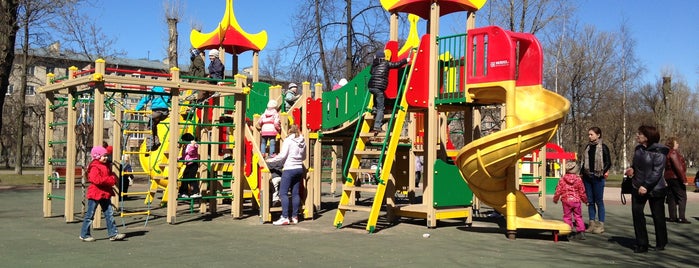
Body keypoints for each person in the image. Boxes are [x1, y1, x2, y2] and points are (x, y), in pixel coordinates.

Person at [626, 125, 668, 253]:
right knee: (637, 214)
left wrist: (646, 185)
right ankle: (642, 244)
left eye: (640, 134)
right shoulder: (638, 149)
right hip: (637, 186)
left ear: (647, 136)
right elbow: (636, 164)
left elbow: (657, 172)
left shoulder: (659, 151)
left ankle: (661, 242)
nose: (637, 135)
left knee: (658, 216)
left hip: (655, 188)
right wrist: (631, 169)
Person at [79, 146, 126, 242]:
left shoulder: (106, 165)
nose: (106, 158)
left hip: (104, 193)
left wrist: (112, 148)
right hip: (95, 193)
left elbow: (109, 151)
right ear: (97, 156)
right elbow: (96, 180)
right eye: (103, 156)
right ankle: (84, 234)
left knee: (109, 214)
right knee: (90, 214)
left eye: (106, 156)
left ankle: (113, 233)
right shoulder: (95, 167)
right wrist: (110, 180)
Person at [266, 124, 306, 225]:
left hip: (289, 169)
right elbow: (304, 156)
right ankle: (295, 216)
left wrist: (271, 160)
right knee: (295, 193)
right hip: (299, 169)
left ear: (289, 132)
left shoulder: (288, 140)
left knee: (283, 193)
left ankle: (284, 217)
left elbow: (283, 155)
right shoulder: (302, 141)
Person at [367, 49, 410, 133]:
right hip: (379, 88)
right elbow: (396, 64)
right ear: (383, 58)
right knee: (381, 108)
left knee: (376, 97)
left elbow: (371, 72)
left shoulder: (374, 65)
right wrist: (406, 60)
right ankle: (377, 126)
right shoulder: (386, 63)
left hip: (371, 87)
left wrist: (374, 62)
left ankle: (374, 109)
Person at [580, 126, 611, 234]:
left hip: (598, 177)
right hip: (588, 177)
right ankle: (591, 223)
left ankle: (601, 224)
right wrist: (582, 173)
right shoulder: (587, 147)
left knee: (599, 201)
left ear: (598, 135)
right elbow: (584, 162)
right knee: (590, 201)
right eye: (589, 134)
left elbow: (608, 162)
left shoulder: (603, 147)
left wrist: (602, 172)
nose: (589, 136)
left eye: (591, 134)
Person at [553, 162, 588, 240]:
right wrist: (585, 200)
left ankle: (568, 231)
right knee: (578, 216)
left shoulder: (562, 179)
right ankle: (581, 232)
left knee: (567, 216)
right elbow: (582, 191)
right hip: (576, 201)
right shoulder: (578, 179)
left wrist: (556, 199)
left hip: (566, 200)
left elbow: (558, 190)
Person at [135, 86, 170, 151]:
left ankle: (149, 145)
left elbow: (144, 100)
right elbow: (169, 100)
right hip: (165, 113)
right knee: (153, 125)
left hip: (156, 112)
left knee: (149, 127)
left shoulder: (152, 92)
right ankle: (156, 142)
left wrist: (136, 109)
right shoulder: (165, 93)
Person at [664, 137, 690, 223]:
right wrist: (684, 180)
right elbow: (678, 167)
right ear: (672, 144)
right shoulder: (673, 153)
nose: (678, 144)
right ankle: (681, 217)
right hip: (676, 178)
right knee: (682, 197)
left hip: (668, 178)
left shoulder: (666, 153)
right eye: (676, 143)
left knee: (672, 197)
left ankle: (672, 217)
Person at [178, 133, 201, 199]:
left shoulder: (192, 146)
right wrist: (180, 158)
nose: (183, 143)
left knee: (191, 178)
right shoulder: (185, 146)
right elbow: (185, 156)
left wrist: (192, 145)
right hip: (188, 164)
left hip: (193, 164)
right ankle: (183, 192)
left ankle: (196, 192)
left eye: (183, 141)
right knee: (185, 178)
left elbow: (190, 152)